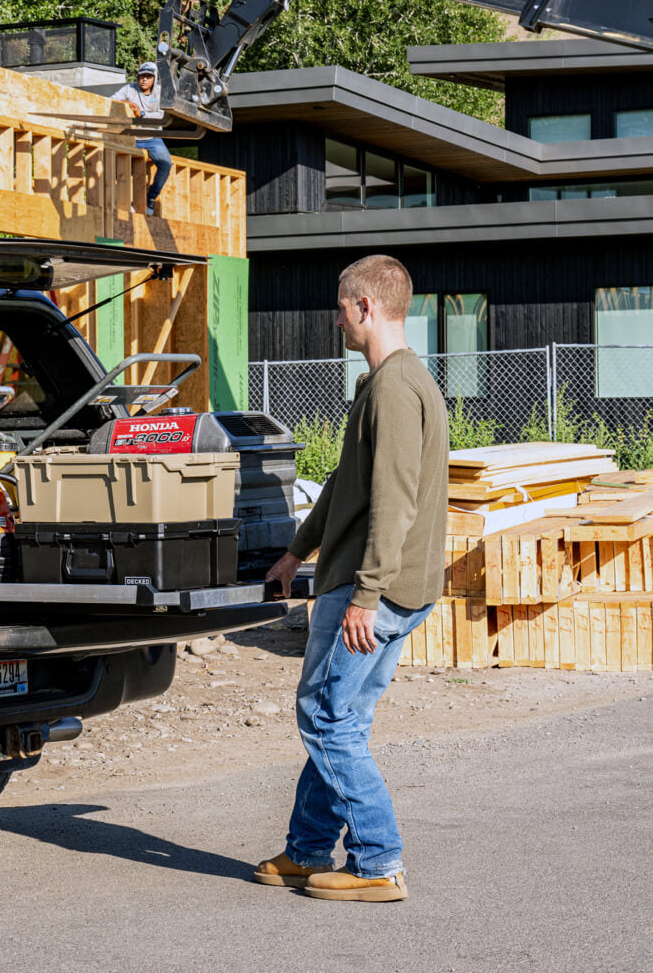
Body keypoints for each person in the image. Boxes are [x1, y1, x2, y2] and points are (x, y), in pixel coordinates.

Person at [258, 254, 448, 903]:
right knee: (342, 719)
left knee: (324, 719)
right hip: (393, 586)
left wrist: (365, 595)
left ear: (366, 306)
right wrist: (296, 552)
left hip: (376, 590)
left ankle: (379, 861)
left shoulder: (395, 389)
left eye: (340, 306)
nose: (335, 318)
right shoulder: (388, 384)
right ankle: (310, 849)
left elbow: (394, 500)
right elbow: (346, 485)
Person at [110, 62, 172, 214]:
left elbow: (161, 116)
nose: (144, 80)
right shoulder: (129, 89)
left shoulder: (160, 92)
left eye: (148, 77)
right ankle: (121, 201)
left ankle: (150, 199)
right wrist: (121, 102)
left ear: (155, 78)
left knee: (165, 164)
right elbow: (110, 99)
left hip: (152, 137)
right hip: (131, 137)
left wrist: (142, 113)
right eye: (141, 76)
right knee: (118, 166)